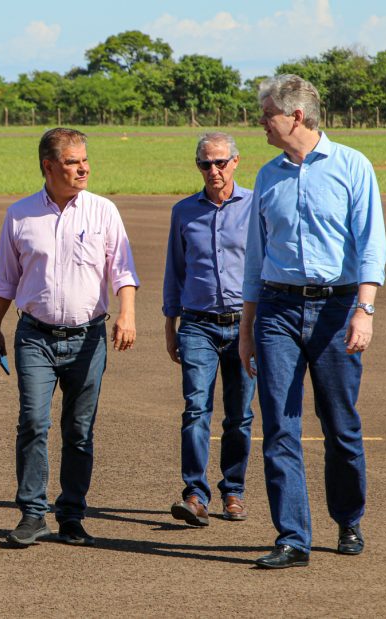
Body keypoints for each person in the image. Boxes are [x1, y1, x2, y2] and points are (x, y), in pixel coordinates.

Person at [239, 74, 386, 569]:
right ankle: (292, 537)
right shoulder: (267, 175)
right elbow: (256, 258)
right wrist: (247, 328)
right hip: (277, 310)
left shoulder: (352, 166)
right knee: (279, 425)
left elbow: (370, 244)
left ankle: (348, 518)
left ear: (295, 117)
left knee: (340, 424)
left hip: (337, 310)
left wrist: (364, 311)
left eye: (267, 115)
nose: (261, 123)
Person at [0, 127, 139, 548]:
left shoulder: (103, 211)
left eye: (85, 160)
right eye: (73, 162)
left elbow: (122, 271)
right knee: (34, 421)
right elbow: (5, 278)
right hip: (34, 335)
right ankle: (33, 514)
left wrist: (126, 314)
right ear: (49, 166)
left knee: (79, 428)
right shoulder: (19, 214)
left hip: (89, 338)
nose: (83, 167)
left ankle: (72, 514)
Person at [162, 132, 256, 527]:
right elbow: (175, 270)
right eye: (205, 163)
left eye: (220, 162)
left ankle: (233, 490)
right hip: (197, 323)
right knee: (196, 408)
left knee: (239, 415)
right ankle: (195, 494)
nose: (213, 170)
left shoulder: (256, 206)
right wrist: (171, 324)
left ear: (236, 161)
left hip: (244, 324)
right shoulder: (184, 211)